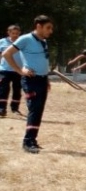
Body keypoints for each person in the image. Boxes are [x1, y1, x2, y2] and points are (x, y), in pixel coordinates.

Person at [1, 15, 53, 154]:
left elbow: (42, 61)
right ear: (38, 26)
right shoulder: (25, 39)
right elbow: (7, 54)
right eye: (48, 27)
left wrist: (46, 79)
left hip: (42, 80)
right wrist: (20, 70)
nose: (50, 31)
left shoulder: (43, 41)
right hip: (31, 80)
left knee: (39, 110)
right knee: (34, 110)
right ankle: (27, 142)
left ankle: (33, 140)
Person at [0, 25, 23, 117]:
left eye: (17, 33)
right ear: (8, 33)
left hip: (18, 70)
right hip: (4, 69)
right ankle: (2, 108)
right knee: (3, 89)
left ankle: (15, 108)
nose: (15, 35)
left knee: (17, 89)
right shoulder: (2, 42)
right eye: (13, 33)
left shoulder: (22, 42)